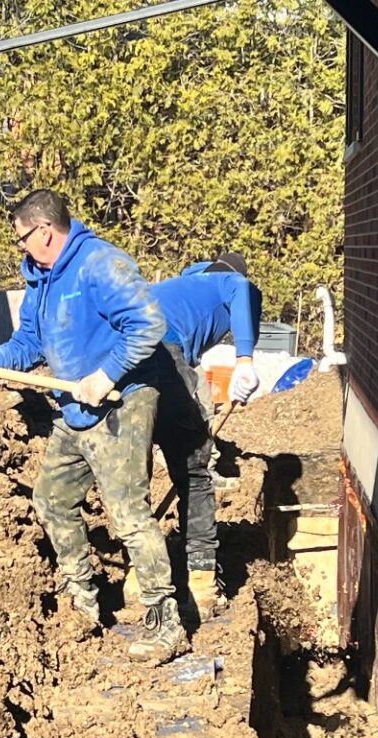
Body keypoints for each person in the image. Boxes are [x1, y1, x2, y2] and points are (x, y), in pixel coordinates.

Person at [0, 189, 188, 665]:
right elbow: (29, 342)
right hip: (74, 410)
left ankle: (166, 622)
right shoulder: (41, 277)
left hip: (120, 405)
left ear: (45, 231)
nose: (20, 248)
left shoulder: (99, 264)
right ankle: (83, 597)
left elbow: (148, 322)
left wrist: (106, 374)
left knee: (128, 514)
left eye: (22, 239)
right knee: (52, 498)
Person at [150, 254, 263, 621]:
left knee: (133, 466)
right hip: (162, 353)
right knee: (195, 473)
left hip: (122, 354)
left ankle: (140, 578)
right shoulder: (227, 282)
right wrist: (245, 360)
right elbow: (240, 288)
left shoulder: (181, 286)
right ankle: (200, 584)